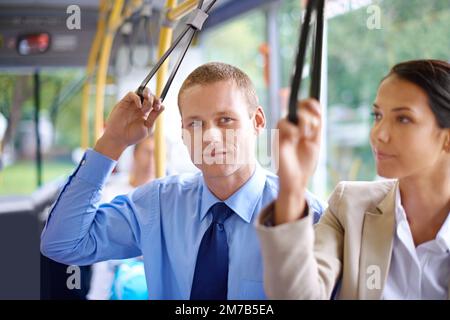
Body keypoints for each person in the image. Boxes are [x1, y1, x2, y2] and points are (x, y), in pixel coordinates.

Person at [40, 62, 324, 300]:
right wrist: (112, 143)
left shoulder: (305, 217)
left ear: (258, 122)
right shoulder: (158, 204)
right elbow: (62, 244)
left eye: (225, 120)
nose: (210, 136)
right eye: (195, 124)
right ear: (184, 132)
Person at [256, 59, 450, 299]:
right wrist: (293, 187)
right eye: (377, 115)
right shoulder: (348, 207)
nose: (378, 133)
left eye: (403, 119)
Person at [87, 136, 155, 300]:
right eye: (148, 152)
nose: (152, 161)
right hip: (116, 275)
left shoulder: (167, 198)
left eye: (157, 154)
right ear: (135, 154)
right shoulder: (112, 193)